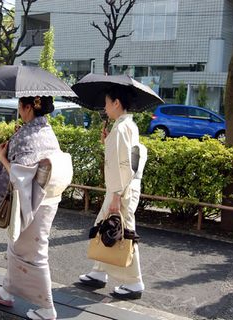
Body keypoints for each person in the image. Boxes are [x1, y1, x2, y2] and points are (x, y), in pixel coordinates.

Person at [0, 96, 72, 320]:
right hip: (47, 198)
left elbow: (19, 174)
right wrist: (18, 136)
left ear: (27, 108)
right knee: (16, 245)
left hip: (33, 200)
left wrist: (3, 156)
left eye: (20, 107)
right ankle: (7, 290)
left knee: (35, 253)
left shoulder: (26, 135)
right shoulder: (45, 130)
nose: (19, 111)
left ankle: (47, 308)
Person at [79, 86, 146, 300]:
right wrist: (108, 141)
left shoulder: (121, 128)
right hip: (125, 187)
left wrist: (116, 194)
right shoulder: (127, 125)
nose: (105, 108)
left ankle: (134, 282)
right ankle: (99, 271)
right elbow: (126, 158)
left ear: (117, 103)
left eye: (107, 103)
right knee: (105, 225)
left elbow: (122, 165)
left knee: (123, 232)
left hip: (121, 189)